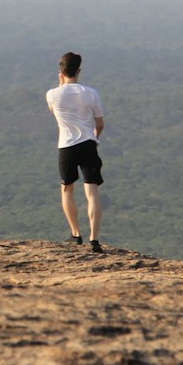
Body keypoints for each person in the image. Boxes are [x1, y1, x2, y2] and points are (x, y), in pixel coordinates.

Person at [46, 51, 106, 253]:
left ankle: (76, 234)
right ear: (79, 70)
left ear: (61, 72)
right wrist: (94, 137)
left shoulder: (52, 94)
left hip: (66, 146)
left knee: (67, 189)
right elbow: (100, 123)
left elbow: (55, 113)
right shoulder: (91, 93)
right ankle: (94, 240)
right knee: (92, 192)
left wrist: (61, 84)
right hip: (88, 144)